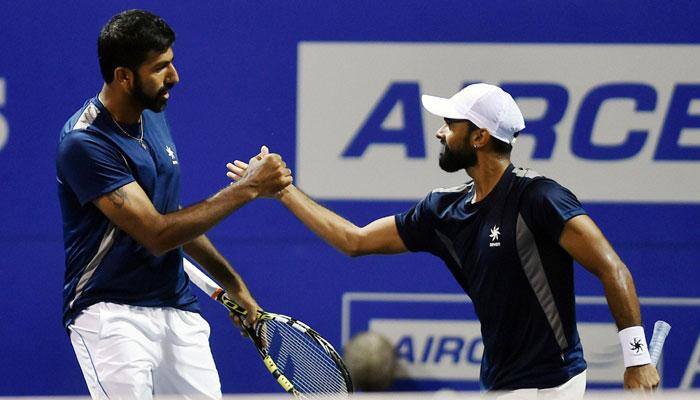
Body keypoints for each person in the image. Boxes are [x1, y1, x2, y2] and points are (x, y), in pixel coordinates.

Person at [227, 83, 660, 397]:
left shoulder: (540, 198)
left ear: (479, 137)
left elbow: (612, 268)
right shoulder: (442, 210)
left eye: (449, 125)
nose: (439, 132)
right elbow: (354, 240)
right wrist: (282, 190)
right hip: (500, 382)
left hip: (553, 383)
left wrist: (637, 358)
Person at [56, 10, 292, 399]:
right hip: (112, 316)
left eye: (172, 62)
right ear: (123, 76)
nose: (175, 77)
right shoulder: (85, 143)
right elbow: (156, 233)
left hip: (176, 307)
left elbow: (173, 216)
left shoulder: (152, 114)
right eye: (160, 68)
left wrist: (235, 286)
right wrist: (248, 188)